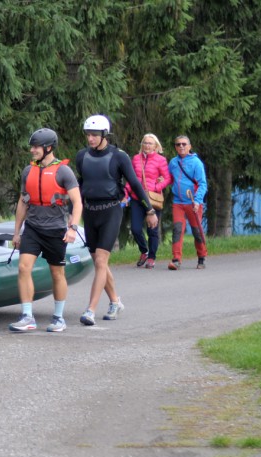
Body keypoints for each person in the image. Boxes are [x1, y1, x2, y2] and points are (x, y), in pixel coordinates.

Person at [74, 115, 158, 326]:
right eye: (88, 135)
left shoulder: (119, 156)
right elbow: (80, 186)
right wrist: (71, 212)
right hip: (90, 212)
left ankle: (90, 310)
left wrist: (149, 210)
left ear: (105, 135)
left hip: (111, 211)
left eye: (94, 135)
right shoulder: (82, 156)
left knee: (101, 261)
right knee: (99, 262)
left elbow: (135, 184)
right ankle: (115, 302)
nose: (90, 139)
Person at [9, 128, 82, 333]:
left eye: (36, 147)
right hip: (33, 228)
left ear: (48, 148)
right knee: (23, 268)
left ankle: (58, 318)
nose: (32, 150)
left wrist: (73, 228)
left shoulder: (63, 171)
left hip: (55, 230)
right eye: (32, 147)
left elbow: (77, 202)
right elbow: (23, 202)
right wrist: (17, 232)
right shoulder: (28, 171)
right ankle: (27, 317)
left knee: (57, 273)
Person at [125, 133, 171, 269]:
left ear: (156, 146)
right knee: (135, 229)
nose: (147, 145)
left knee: (152, 230)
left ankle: (151, 257)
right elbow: (131, 178)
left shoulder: (161, 160)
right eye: (145, 142)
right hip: (137, 198)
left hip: (152, 198)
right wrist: (126, 193)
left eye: (150, 143)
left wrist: (156, 187)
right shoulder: (136, 159)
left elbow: (167, 178)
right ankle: (144, 251)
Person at [167, 135, 208, 270]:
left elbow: (202, 184)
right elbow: (170, 178)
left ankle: (201, 257)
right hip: (178, 202)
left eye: (184, 144)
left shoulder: (196, 163)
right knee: (177, 229)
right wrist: (162, 180)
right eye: (178, 144)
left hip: (193, 202)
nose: (181, 146)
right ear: (175, 147)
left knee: (196, 231)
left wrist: (197, 201)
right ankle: (176, 259)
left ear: (190, 146)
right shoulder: (173, 162)